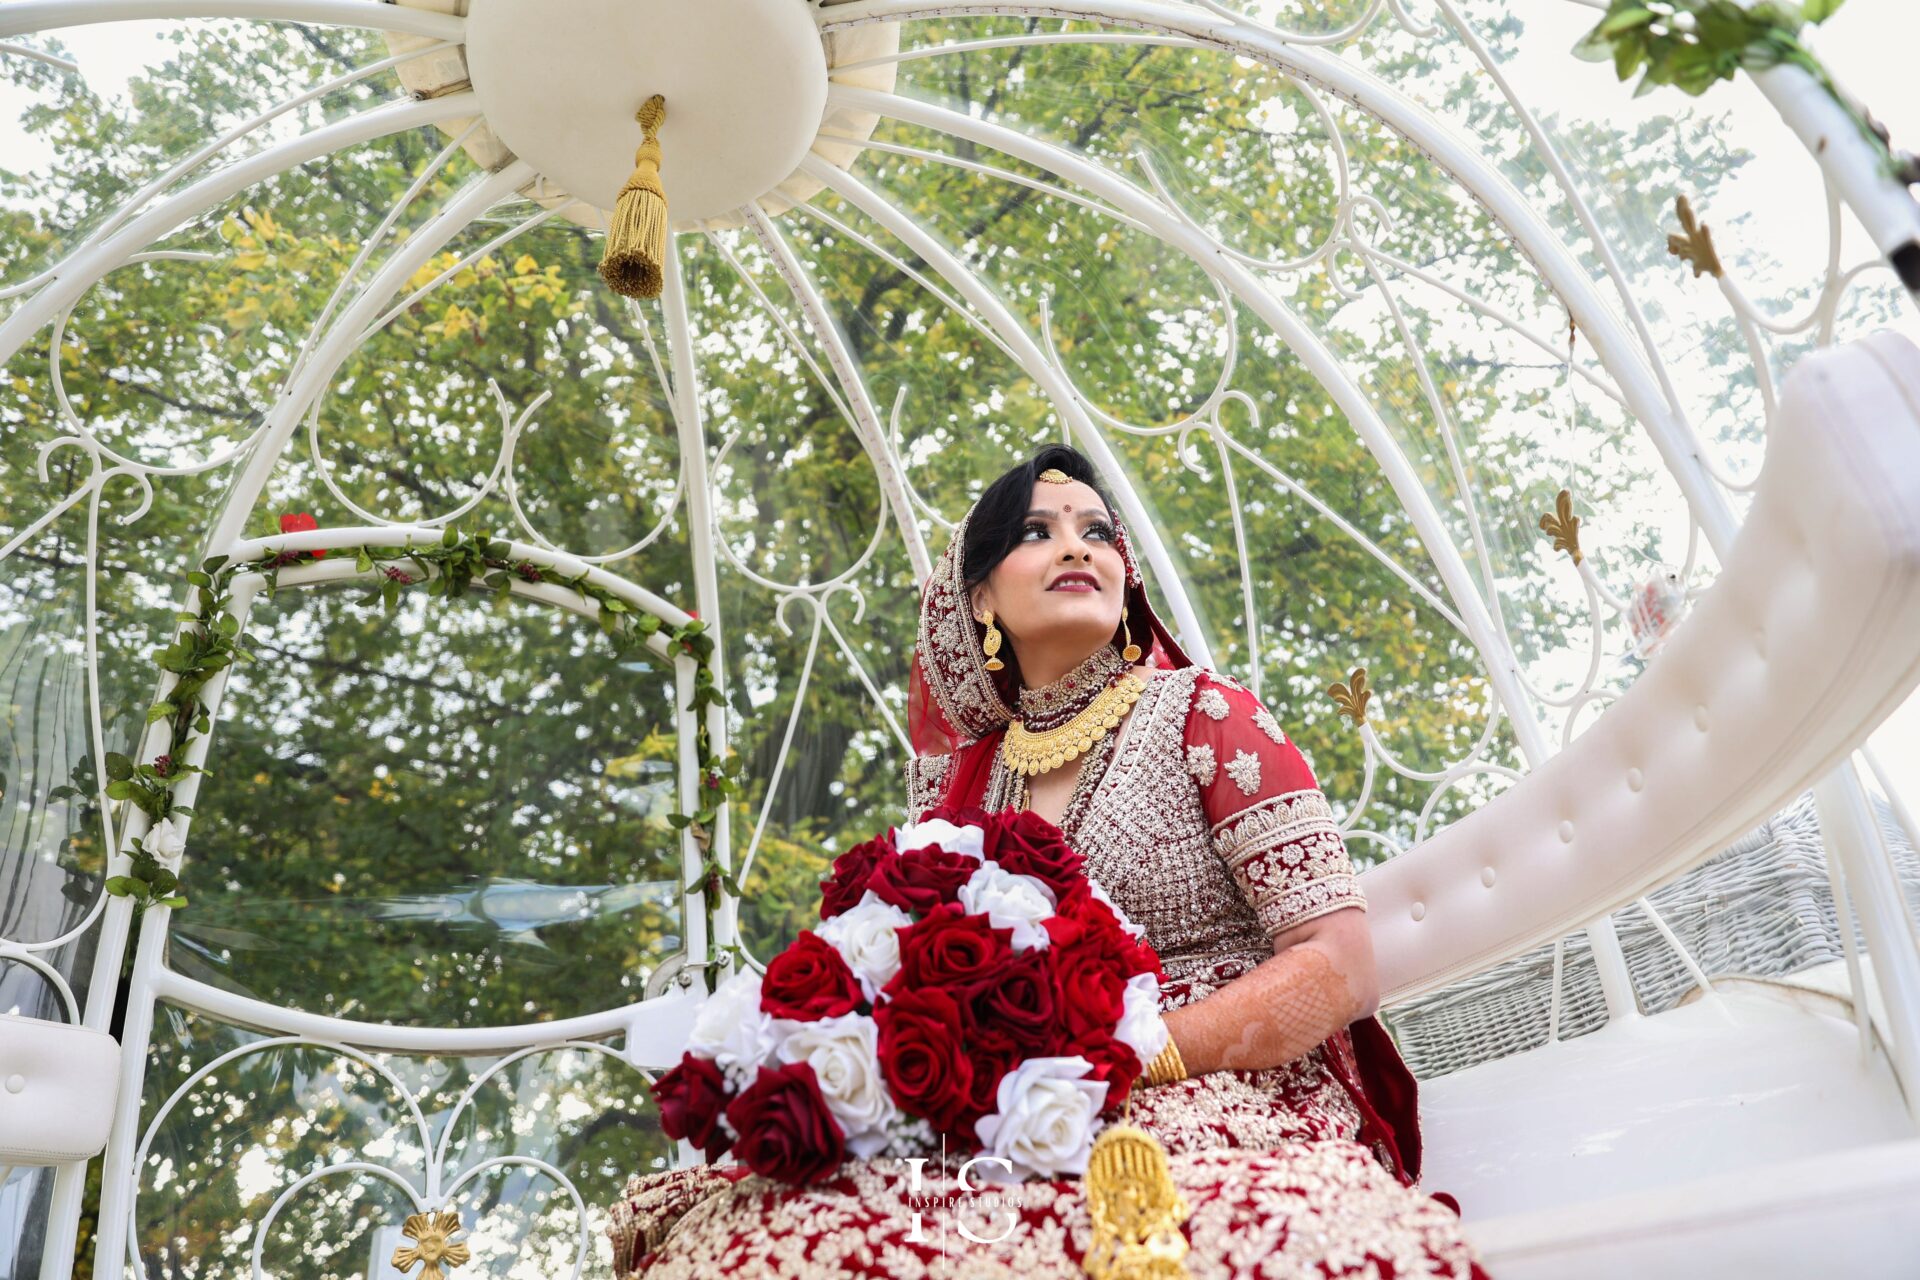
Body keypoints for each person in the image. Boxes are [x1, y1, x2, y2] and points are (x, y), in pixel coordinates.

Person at [608, 445, 1490, 1278]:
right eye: (1038, 531)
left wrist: (1136, 1057)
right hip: (1001, 1112)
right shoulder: (955, 787)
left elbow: (1339, 968)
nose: (1076, 545)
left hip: (1214, 1093)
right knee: (777, 1231)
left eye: (1096, 531)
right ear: (980, 598)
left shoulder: (1205, 715)